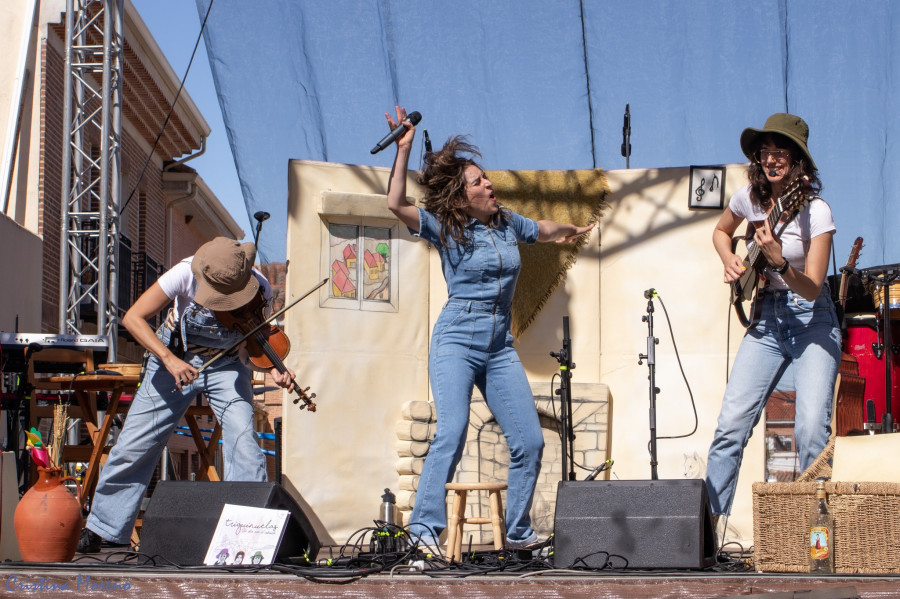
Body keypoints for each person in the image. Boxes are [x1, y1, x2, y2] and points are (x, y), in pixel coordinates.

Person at [383, 106, 594, 550]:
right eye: (478, 182)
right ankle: (423, 533)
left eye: (486, 178)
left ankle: (517, 533)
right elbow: (395, 203)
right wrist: (403, 150)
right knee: (453, 431)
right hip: (456, 339)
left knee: (530, 442)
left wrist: (569, 230)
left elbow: (541, 230)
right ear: (461, 198)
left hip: (499, 345)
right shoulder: (446, 227)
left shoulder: (505, 222)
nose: (489, 184)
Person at [78, 237, 296, 553]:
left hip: (227, 364)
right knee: (135, 443)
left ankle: (249, 535)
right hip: (173, 357)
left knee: (244, 443)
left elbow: (255, 343)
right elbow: (133, 319)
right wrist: (169, 360)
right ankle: (106, 530)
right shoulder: (183, 273)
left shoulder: (259, 288)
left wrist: (275, 368)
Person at [704, 113, 841, 519]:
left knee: (811, 430)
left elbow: (814, 286)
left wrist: (780, 263)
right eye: (766, 151)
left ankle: (818, 541)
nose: (772, 159)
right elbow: (720, 230)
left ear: (798, 160)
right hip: (766, 320)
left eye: (781, 152)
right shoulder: (748, 197)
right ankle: (708, 536)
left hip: (812, 319)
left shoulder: (816, 211)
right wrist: (730, 259)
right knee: (730, 428)